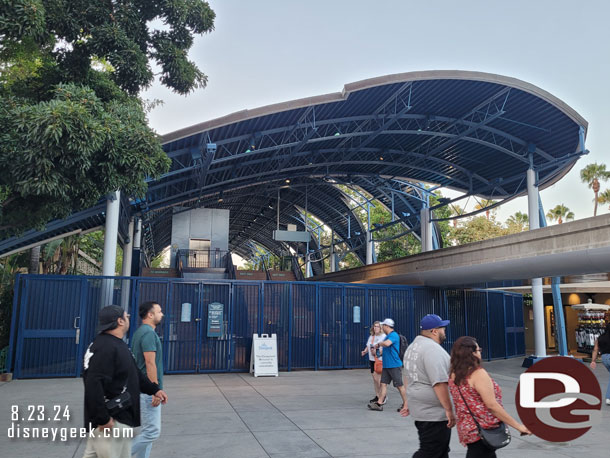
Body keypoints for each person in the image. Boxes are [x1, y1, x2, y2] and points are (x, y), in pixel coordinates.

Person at [82, 305, 168, 458]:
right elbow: (93, 385)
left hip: (111, 420)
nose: (129, 318)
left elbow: (134, 373)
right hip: (112, 420)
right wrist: (103, 419)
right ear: (120, 321)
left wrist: (154, 389)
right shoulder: (106, 348)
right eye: (126, 316)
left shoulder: (114, 344)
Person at [448, 336, 531, 457]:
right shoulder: (478, 374)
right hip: (482, 431)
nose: (480, 352)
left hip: (468, 430)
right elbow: (492, 405)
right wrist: (518, 426)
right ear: (471, 354)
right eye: (478, 350)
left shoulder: (454, 374)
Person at [402, 313, 455, 458]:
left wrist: (407, 401)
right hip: (433, 414)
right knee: (430, 451)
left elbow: (407, 375)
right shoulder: (433, 350)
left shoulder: (413, 347)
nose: (445, 331)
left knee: (441, 451)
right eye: (443, 328)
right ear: (434, 331)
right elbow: (439, 383)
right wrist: (449, 410)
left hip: (420, 409)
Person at [131, 302, 165, 458]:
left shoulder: (140, 332)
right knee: (152, 432)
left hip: (142, 388)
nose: (162, 314)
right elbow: (149, 363)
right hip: (147, 390)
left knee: (147, 432)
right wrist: (155, 390)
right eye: (159, 311)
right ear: (150, 315)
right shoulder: (148, 334)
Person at [368, 318, 407, 412]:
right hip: (387, 365)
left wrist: (378, 344)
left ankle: (406, 404)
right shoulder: (387, 336)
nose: (382, 327)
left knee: (399, 385)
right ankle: (379, 403)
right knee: (383, 384)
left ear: (386, 326)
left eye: (383, 325)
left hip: (394, 365)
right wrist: (378, 352)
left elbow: (386, 344)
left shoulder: (393, 335)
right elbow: (385, 349)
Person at [361, 321, 386, 404]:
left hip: (379, 360)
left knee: (379, 379)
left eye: (378, 326)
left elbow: (385, 349)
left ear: (381, 328)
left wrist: (377, 353)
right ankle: (377, 396)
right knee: (375, 379)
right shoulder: (372, 336)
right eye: (375, 326)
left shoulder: (383, 336)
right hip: (372, 359)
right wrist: (365, 351)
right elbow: (369, 345)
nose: (376, 328)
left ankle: (383, 396)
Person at [590, 323, 610, 406]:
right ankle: (608, 397)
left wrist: (593, 361)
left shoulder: (600, 338)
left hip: (604, 358)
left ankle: (608, 397)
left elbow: (595, 350)